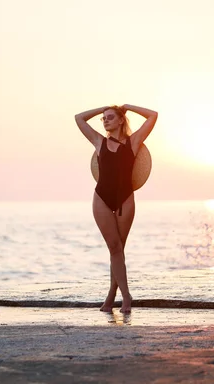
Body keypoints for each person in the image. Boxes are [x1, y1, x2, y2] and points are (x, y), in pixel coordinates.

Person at [75, 104, 158, 313]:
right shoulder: (98, 141)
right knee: (114, 247)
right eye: (103, 119)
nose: (105, 121)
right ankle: (125, 296)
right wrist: (103, 108)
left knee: (118, 249)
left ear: (121, 120)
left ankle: (112, 296)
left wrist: (127, 107)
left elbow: (153, 116)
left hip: (125, 198)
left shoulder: (134, 142)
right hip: (101, 198)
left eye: (110, 117)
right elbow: (79, 118)